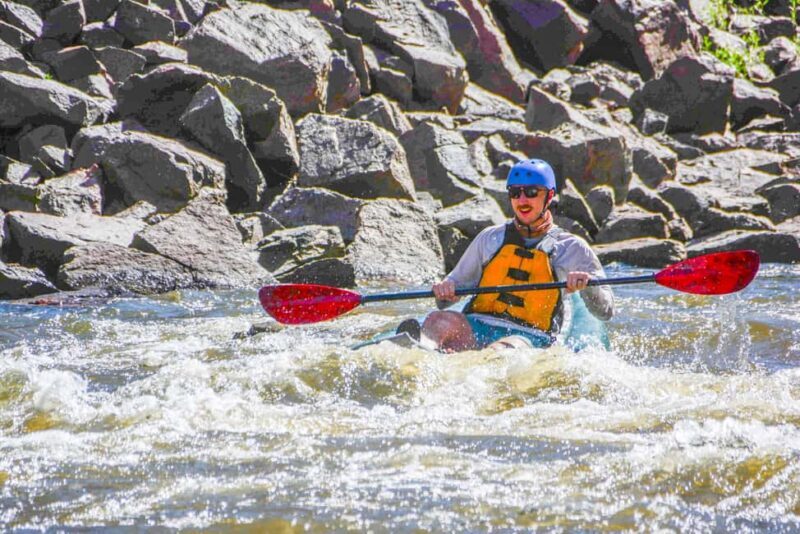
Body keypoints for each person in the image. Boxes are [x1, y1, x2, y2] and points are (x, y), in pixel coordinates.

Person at [408, 158, 614, 352]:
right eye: (515, 192)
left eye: (532, 192)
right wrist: (446, 290)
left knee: (503, 349)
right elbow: (445, 300)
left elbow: (606, 311)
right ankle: (422, 351)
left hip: (529, 336)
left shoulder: (572, 248)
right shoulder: (489, 238)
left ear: (550, 196)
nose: (522, 200)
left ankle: (477, 362)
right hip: (477, 325)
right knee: (438, 320)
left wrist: (588, 286)